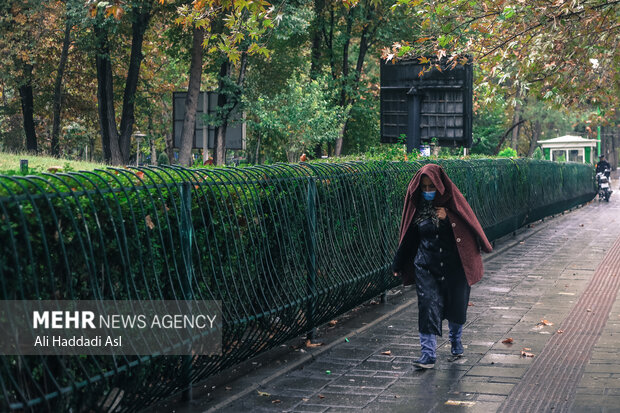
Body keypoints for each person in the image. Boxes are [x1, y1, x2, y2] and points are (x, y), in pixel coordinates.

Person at [392, 164, 493, 369]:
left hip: (456, 267)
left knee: (456, 307)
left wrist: (448, 219)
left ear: (440, 186)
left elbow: (468, 230)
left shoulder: (454, 204)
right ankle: (428, 355)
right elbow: (408, 239)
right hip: (426, 266)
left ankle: (455, 341)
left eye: (432, 187)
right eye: (424, 188)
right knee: (428, 305)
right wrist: (398, 263)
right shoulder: (417, 207)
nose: (428, 192)